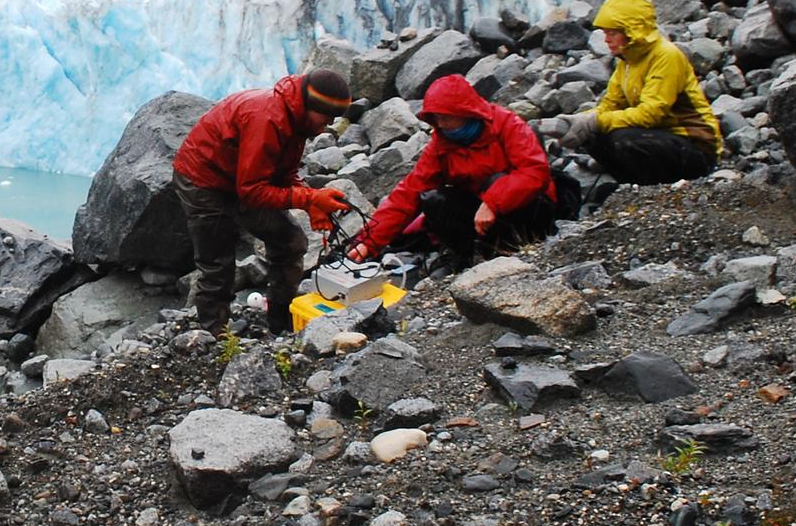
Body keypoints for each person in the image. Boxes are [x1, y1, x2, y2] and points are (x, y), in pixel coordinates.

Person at [172, 69, 356, 335]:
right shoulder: (268, 119)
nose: (326, 126)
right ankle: (213, 337)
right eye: (325, 118)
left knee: (291, 242)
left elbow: (284, 173)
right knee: (218, 265)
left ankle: (280, 322)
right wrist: (309, 198)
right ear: (310, 106)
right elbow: (253, 192)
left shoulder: (298, 120)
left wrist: (313, 203)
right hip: (204, 180)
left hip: (242, 179)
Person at [348, 75, 557, 265]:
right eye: (436, 118)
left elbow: (535, 172)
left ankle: (518, 243)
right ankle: (472, 256)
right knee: (432, 200)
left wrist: (493, 202)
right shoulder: (442, 145)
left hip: (530, 211)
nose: (440, 124)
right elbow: (408, 194)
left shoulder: (506, 124)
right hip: (482, 217)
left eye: (445, 117)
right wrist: (368, 242)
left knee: (496, 180)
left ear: (465, 112)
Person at [560, 0, 722, 184]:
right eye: (605, 33)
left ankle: (652, 187)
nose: (606, 40)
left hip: (696, 147)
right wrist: (582, 121)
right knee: (592, 137)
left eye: (612, 33)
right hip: (662, 139)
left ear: (631, 30)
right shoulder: (627, 61)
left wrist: (596, 122)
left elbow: (650, 114)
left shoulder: (666, 56)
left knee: (625, 140)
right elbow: (610, 105)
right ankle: (632, 179)